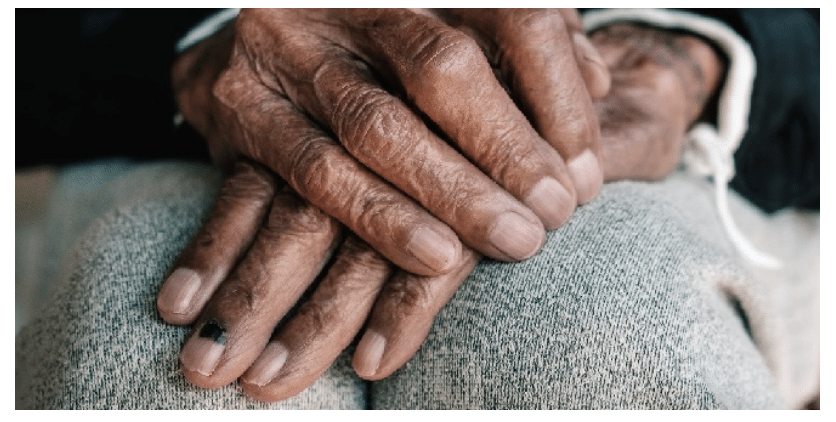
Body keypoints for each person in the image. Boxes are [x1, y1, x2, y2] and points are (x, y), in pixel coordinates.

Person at [15, 8, 819, 409]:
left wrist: (695, 46)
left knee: (603, 322)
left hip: (655, 101)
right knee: (153, 368)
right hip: (193, 101)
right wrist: (204, 41)